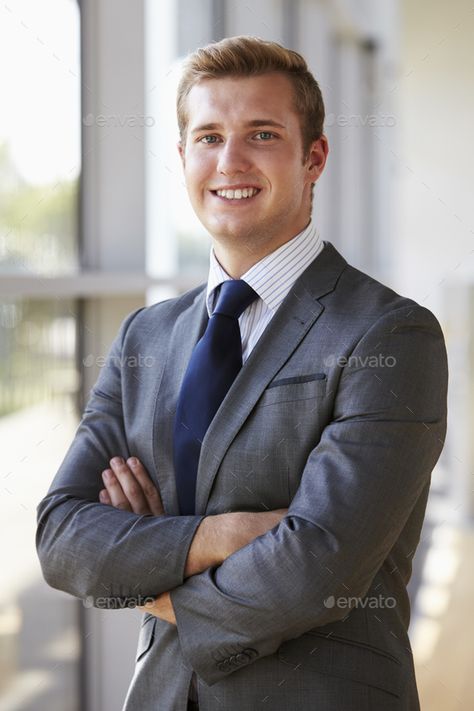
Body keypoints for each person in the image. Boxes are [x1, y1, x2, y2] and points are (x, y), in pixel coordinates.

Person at [36, 36, 448, 711]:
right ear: (182, 157)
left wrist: (147, 569)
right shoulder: (146, 336)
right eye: (208, 137)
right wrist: (217, 536)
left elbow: (315, 569)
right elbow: (61, 536)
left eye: (261, 134)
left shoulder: (389, 333)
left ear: (313, 157)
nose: (230, 161)